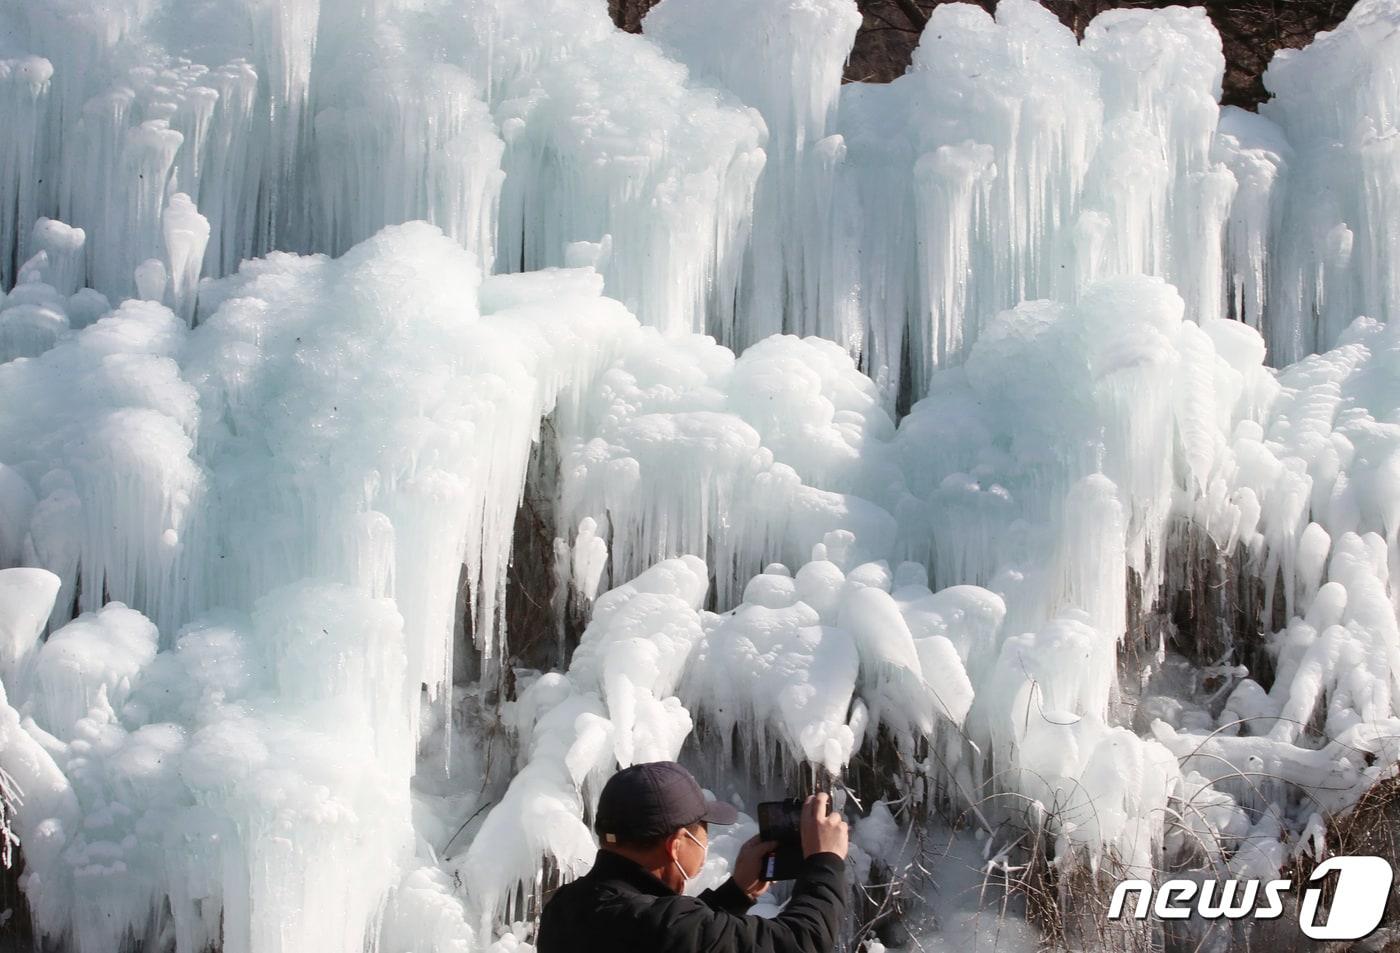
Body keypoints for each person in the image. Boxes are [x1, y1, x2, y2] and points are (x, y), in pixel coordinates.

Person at [536, 761, 849, 953]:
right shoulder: (666, 925)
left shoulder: (564, 909)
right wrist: (825, 861)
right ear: (676, 845)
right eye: (703, 830)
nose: (706, 842)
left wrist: (735, 893)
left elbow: (666, 937)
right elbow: (800, 943)